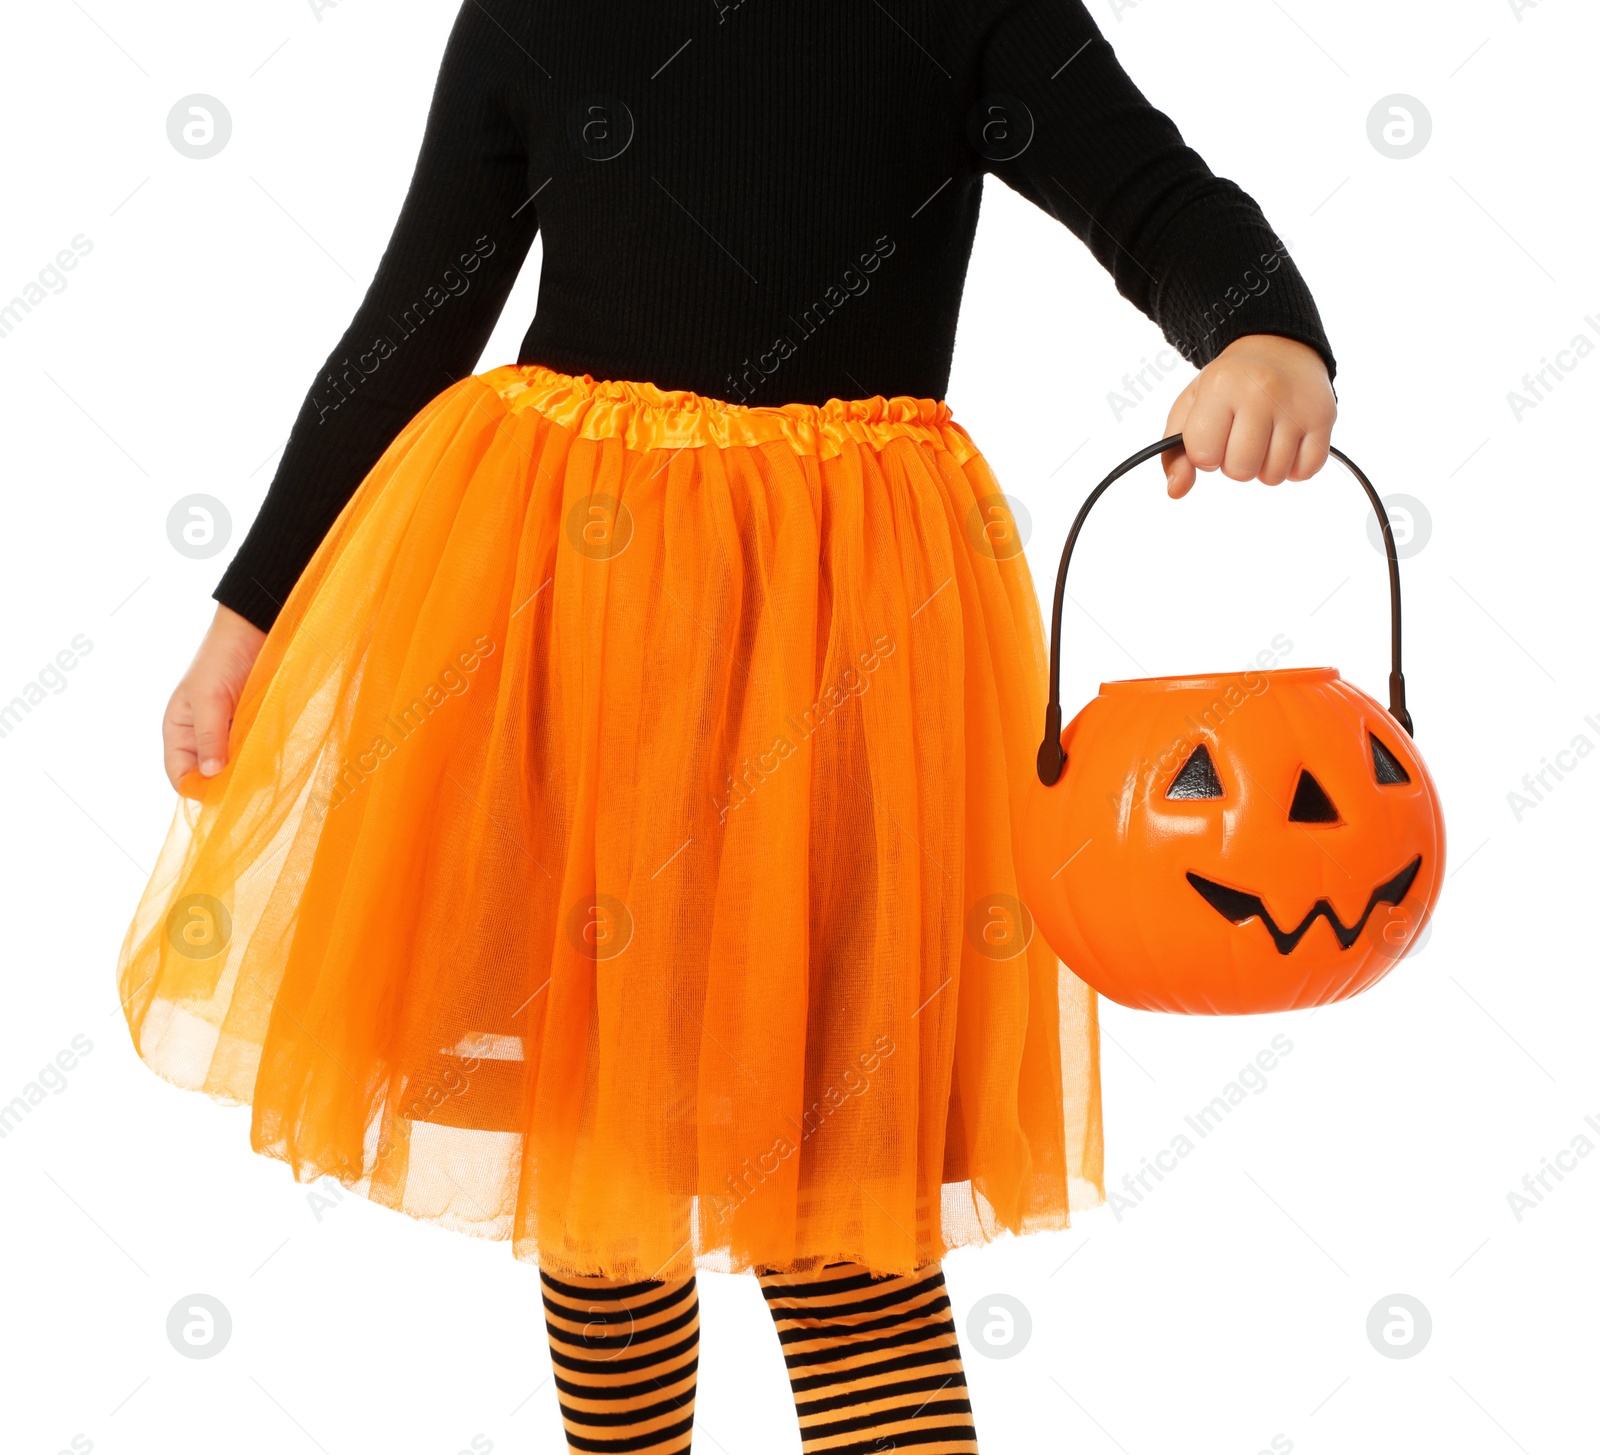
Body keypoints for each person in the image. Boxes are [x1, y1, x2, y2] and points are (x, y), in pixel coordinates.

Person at [121, 1, 1336, 1450]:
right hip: (569, 618)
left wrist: (1264, 331)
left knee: (842, 1182)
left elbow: (1155, 197)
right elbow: (413, 322)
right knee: (600, 1155)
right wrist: (245, 622)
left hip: (845, 655)